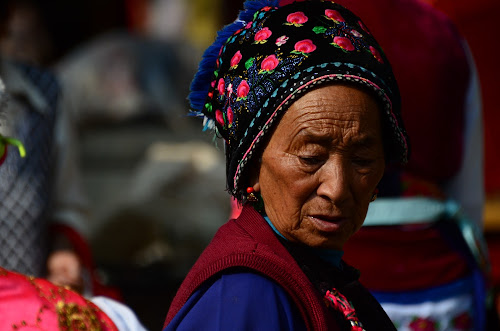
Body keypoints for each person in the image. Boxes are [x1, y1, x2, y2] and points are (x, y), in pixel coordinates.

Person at [164, 0, 410, 329]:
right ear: (251, 164)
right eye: (310, 158)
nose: (337, 189)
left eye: (362, 160)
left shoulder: (321, 277)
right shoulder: (244, 298)